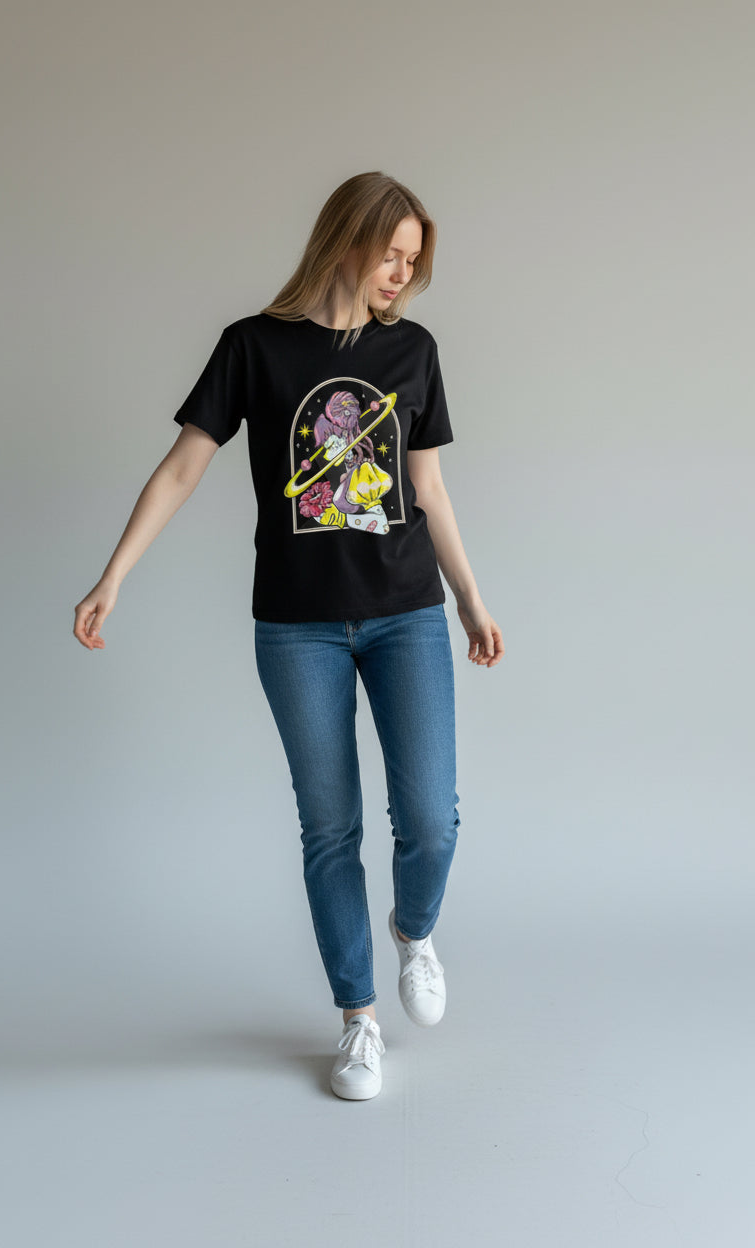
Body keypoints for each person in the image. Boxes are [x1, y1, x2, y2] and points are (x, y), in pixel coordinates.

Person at [73, 171, 505, 1101]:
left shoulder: (414, 351)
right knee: (329, 827)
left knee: (430, 820)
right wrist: (114, 576)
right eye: (392, 254)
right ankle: (358, 1021)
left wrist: (470, 599)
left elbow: (427, 488)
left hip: (406, 613)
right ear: (345, 241)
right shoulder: (253, 346)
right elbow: (182, 468)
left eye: (414, 261)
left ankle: (413, 931)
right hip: (296, 629)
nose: (403, 274)